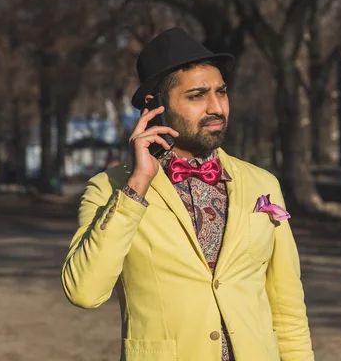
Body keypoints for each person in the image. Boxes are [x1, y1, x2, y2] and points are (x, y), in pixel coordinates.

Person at [61, 27, 314, 361]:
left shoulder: (262, 184)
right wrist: (137, 185)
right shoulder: (109, 189)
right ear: (155, 106)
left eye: (221, 93)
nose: (216, 107)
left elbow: (287, 308)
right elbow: (84, 291)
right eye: (197, 96)